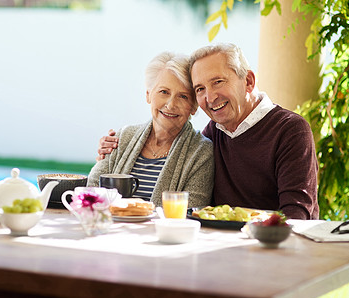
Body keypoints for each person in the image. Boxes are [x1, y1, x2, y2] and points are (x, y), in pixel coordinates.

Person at [98, 43, 319, 220]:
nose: (210, 98)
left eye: (218, 82)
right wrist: (108, 148)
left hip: (270, 250)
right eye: (200, 89)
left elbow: (297, 217)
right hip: (221, 250)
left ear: (249, 81)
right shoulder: (214, 132)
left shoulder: (290, 130)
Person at [87, 52, 214, 208]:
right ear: (148, 95)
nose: (171, 104)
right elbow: (91, 191)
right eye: (164, 92)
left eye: (183, 96)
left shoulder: (201, 152)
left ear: (194, 107)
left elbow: (191, 209)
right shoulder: (122, 137)